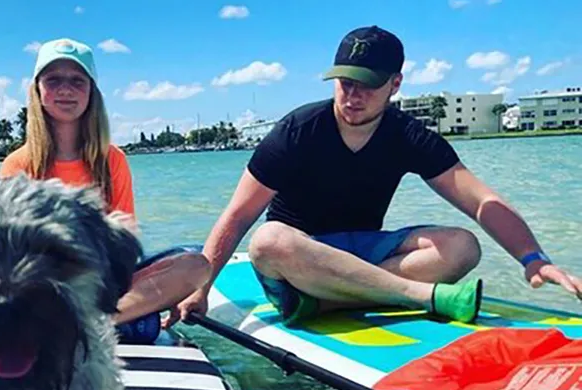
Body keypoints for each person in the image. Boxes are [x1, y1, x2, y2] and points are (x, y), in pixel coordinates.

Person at [176, 25, 582, 326]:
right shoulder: (297, 131)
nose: (353, 96)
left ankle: (330, 303)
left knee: (462, 247)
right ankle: (421, 296)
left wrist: (533, 258)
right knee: (267, 242)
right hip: (302, 261)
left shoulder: (407, 135)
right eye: (346, 83)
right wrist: (200, 287)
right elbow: (237, 216)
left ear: (395, 84)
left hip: (362, 253)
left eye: (368, 85)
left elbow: (480, 201)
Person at [0, 38, 210, 341]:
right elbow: (11, 254)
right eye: (53, 80)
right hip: (44, 287)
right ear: (37, 91)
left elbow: (125, 242)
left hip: (104, 284)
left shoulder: (113, 160)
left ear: (92, 93)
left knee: (195, 264)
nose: (66, 89)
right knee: (143, 326)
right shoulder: (17, 164)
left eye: (77, 81)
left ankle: (83, 324)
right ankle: (99, 320)